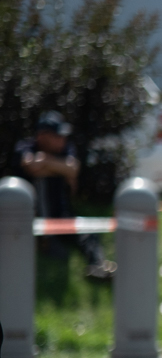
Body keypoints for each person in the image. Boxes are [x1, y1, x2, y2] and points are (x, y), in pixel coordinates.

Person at [15, 111, 113, 280]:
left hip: (63, 216)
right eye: (57, 136)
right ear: (42, 136)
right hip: (32, 220)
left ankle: (97, 267)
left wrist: (44, 160)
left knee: (88, 234)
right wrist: (58, 167)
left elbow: (73, 168)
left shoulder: (66, 149)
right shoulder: (24, 147)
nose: (62, 140)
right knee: (58, 255)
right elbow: (30, 166)